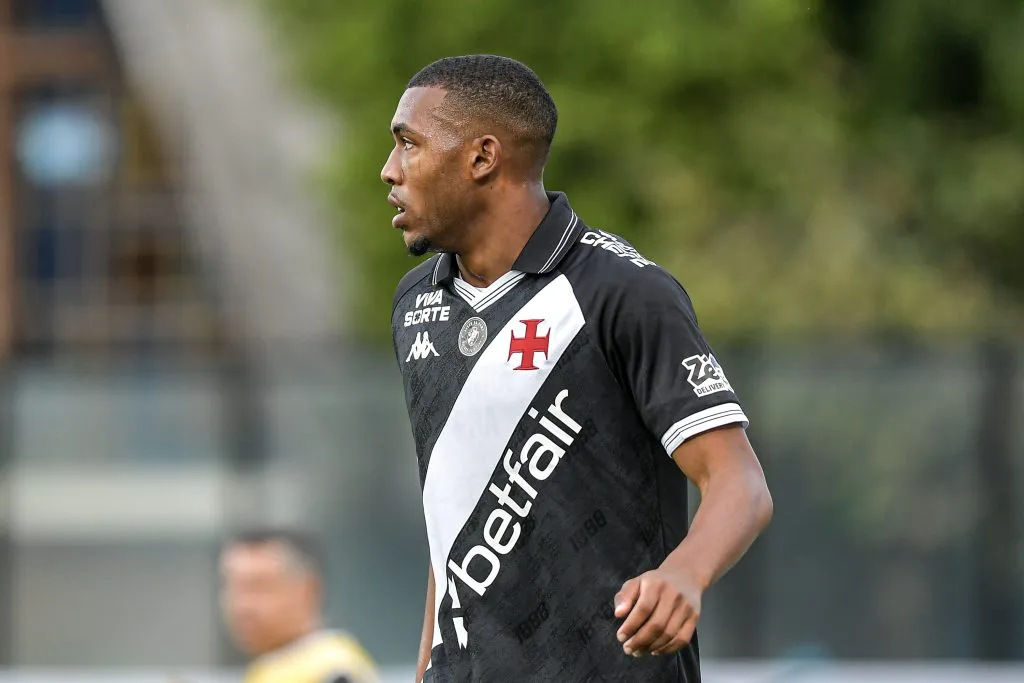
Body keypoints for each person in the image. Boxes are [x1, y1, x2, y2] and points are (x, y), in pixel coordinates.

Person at [384, 55, 773, 683]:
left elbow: (741, 484)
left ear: (482, 158)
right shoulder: (415, 304)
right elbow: (451, 514)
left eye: (408, 144)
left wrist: (685, 572)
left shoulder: (621, 293)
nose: (390, 169)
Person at [219, 528, 380, 683]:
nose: (242, 606)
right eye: (234, 587)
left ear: (308, 589)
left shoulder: (333, 672)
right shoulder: (271, 668)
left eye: (259, 588)